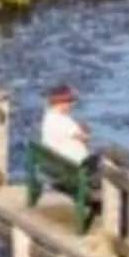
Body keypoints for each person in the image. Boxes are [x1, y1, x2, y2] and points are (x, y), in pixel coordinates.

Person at [31, 83, 94, 226]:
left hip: (56, 169)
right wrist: (85, 132)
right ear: (62, 103)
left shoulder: (48, 118)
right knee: (106, 163)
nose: (72, 104)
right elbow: (84, 137)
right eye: (70, 101)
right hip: (75, 172)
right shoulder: (63, 121)